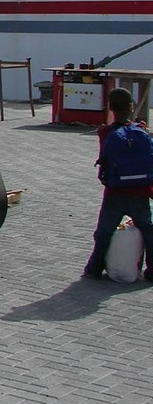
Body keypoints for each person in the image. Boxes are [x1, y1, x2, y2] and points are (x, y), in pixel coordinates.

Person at [83, 88, 153, 280]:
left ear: (110, 108)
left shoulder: (106, 133)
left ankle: (94, 269)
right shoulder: (141, 131)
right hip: (140, 192)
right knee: (148, 231)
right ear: (131, 106)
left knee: (104, 232)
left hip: (114, 192)